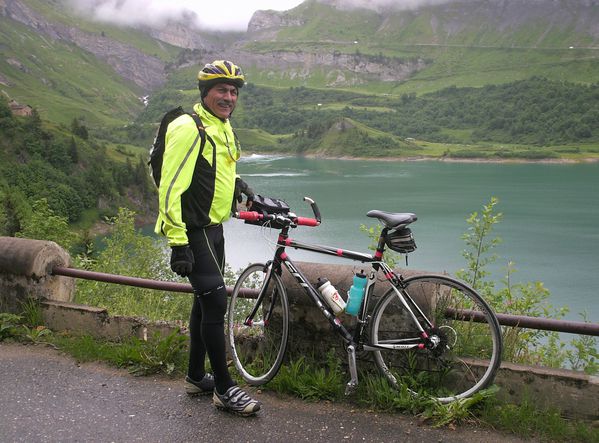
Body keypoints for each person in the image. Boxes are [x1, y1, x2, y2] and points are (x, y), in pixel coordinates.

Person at [154, 60, 259, 416]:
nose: (229, 97)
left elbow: (217, 168)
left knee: (204, 302)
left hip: (214, 230)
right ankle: (225, 389)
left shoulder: (222, 127)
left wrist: (240, 185)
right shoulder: (189, 127)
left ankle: (196, 376)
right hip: (192, 230)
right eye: (221, 90)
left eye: (233, 91)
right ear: (205, 93)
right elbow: (170, 187)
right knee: (215, 302)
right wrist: (177, 242)